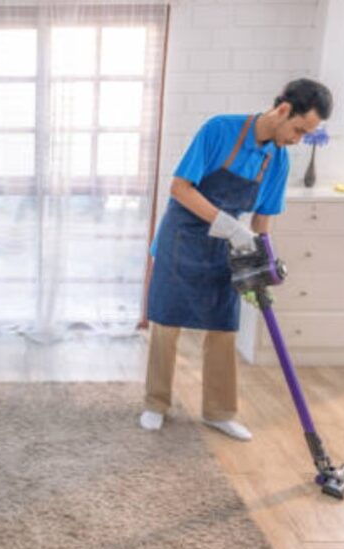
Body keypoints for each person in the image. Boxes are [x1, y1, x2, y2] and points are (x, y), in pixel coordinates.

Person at [141, 78, 333, 441]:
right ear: (283, 110)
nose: (298, 140)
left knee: (224, 327)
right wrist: (229, 225)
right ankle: (156, 403)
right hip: (180, 240)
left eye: (307, 135)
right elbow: (180, 188)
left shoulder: (278, 161)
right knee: (166, 324)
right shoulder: (219, 130)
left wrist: (264, 265)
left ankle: (219, 412)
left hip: (222, 249)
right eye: (298, 130)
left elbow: (262, 223)